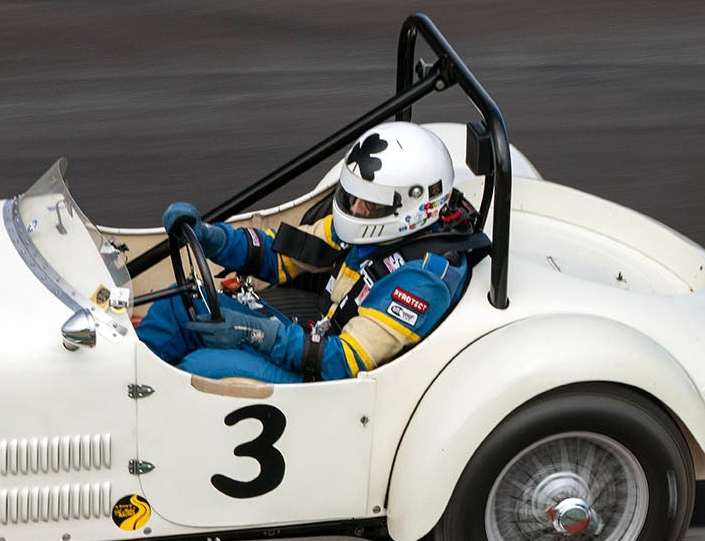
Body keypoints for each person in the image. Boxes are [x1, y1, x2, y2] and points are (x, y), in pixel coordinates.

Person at [137, 121, 484, 383]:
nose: (357, 208)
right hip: (311, 340)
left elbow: (346, 361)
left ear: (415, 207)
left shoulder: (423, 278)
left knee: (199, 369)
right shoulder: (371, 226)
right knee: (176, 307)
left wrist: (255, 333)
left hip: (331, 383)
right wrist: (214, 237)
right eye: (353, 197)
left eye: (370, 204)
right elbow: (281, 254)